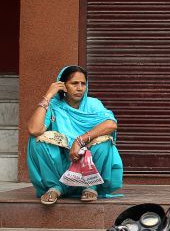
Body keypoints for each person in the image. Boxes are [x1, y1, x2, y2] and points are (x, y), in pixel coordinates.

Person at [26, 65, 123, 205]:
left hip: (87, 160)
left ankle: (90, 186)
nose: (80, 88)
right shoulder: (54, 105)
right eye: (74, 83)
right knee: (36, 140)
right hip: (62, 162)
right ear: (63, 85)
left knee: (105, 141)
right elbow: (34, 129)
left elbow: (111, 124)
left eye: (83, 83)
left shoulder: (92, 104)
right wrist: (48, 96)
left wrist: (79, 141)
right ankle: (56, 187)